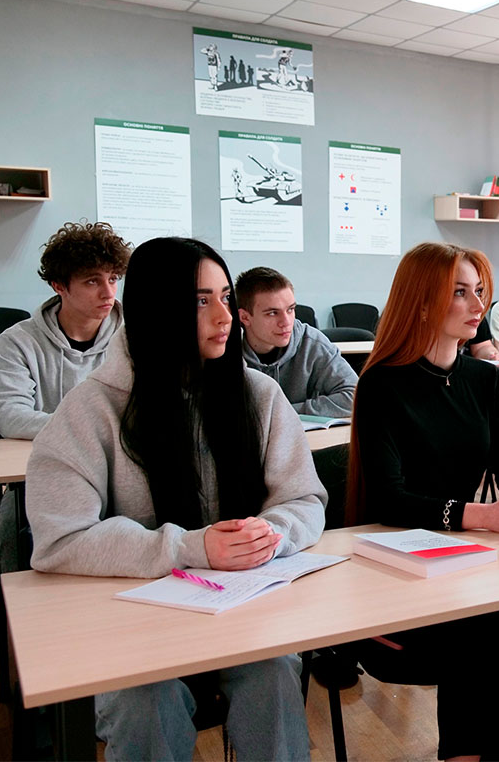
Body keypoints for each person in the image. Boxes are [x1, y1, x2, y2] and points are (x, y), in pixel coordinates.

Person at [24, 237, 325, 761]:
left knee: (274, 674)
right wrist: (190, 547)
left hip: (241, 611)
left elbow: (303, 498)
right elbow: (61, 538)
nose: (224, 316)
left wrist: (269, 534)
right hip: (129, 623)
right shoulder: (92, 409)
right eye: (200, 301)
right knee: (144, 700)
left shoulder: (258, 395)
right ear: (156, 310)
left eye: (225, 297)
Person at [344, 241, 499, 761]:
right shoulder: (382, 384)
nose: (478, 305)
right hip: (393, 575)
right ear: (420, 303)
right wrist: (484, 515)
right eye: (459, 293)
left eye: (479, 291)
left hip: (459, 563)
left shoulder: (485, 379)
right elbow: (390, 501)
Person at [0, 220, 132, 439]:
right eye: (92, 281)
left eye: (112, 279)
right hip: (46, 453)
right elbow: (10, 418)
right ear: (58, 286)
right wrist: (94, 427)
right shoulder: (17, 342)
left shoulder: (132, 338)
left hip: (114, 453)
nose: (108, 293)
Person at [235, 266, 358, 418]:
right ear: (245, 317)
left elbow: (356, 397)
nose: (286, 322)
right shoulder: (224, 351)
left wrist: (284, 413)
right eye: (272, 313)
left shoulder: (313, 343)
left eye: (290, 309)